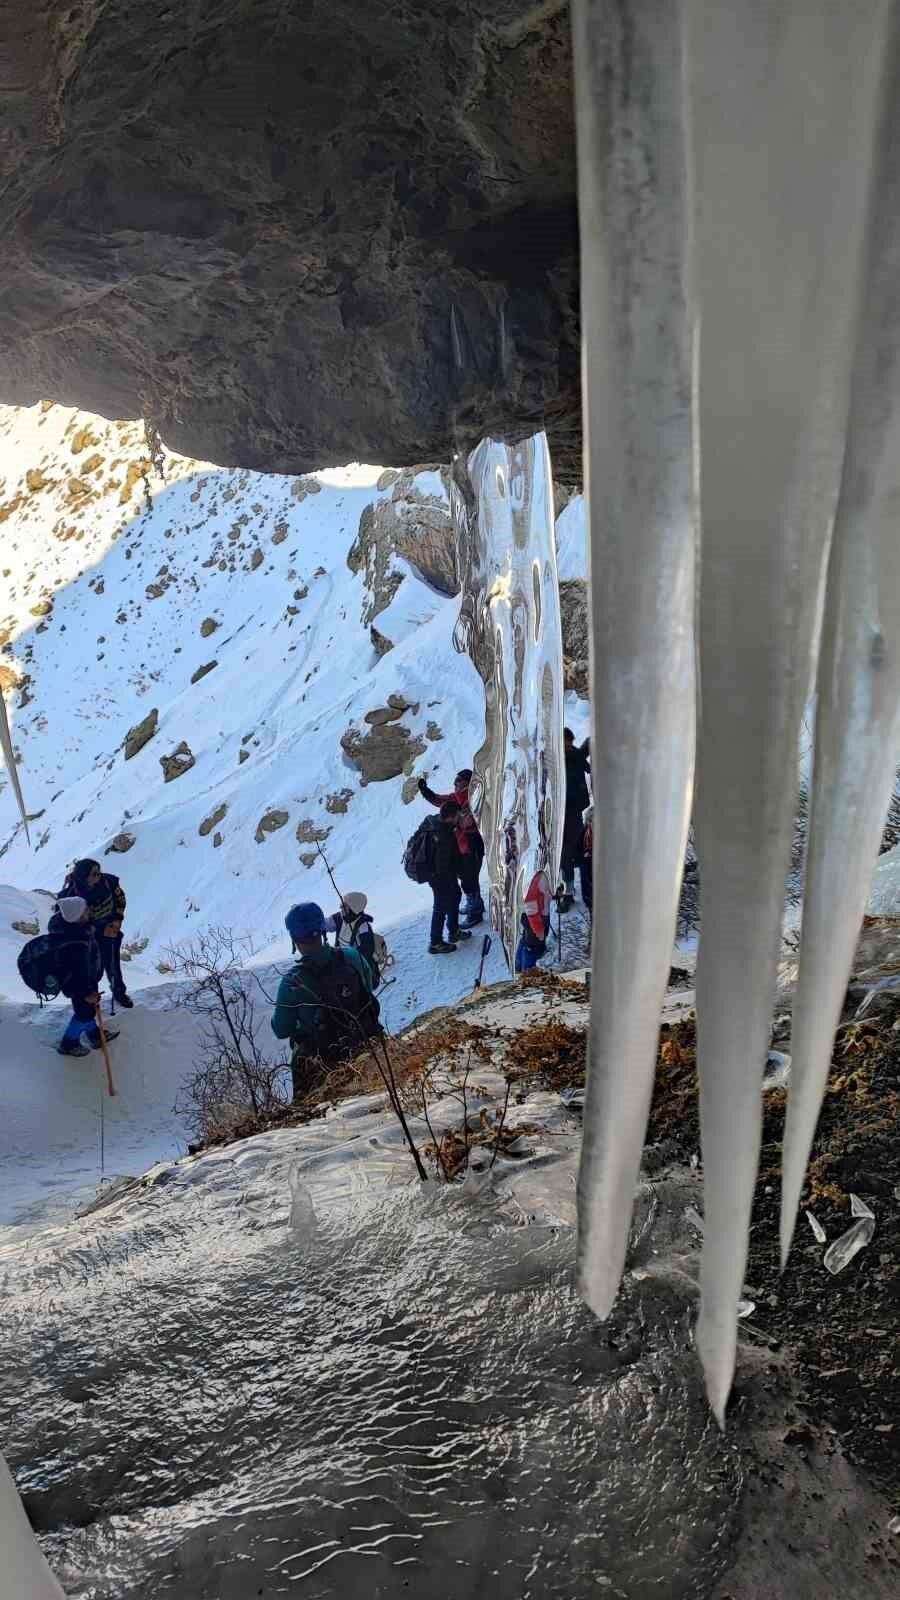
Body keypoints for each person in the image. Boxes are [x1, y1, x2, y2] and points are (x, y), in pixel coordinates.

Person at [271, 902, 381, 1101]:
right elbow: (370, 985)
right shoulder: (351, 956)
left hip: (323, 1065)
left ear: (295, 939)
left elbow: (281, 1029)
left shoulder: (292, 981)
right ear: (322, 931)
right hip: (366, 1042)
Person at [49, 896, 121, 1057]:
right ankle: (68, 1043)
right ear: (77, 916)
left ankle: (95, 1035)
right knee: (83, 1013)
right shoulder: (74, 943)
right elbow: (77, 974)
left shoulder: (76, 929)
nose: (88, 910)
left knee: (87, 1011)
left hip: (86, 982)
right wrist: (86, 994)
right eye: (85, 910)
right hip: (80, 987)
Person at [59, 858, 133, 1008]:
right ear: (83, 877)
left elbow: (120, 899)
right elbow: (71, 923)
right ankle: (91, 999)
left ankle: (119, 992)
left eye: (98, 872)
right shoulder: (71, 895)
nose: (98, 876)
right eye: (94, 874)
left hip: (111, 932)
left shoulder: (109, 882)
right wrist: (94, 930)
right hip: (89, 940)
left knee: (113, 966)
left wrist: (117, 920)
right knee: (92, 972)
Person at [418, 768, 485, 926]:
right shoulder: (456, 798)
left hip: (473, 844)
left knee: (470, 879)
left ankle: (475, 913)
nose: (455, 783)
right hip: (462, 847)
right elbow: (438, 800)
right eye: (455, 780)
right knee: (467, 877)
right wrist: (425, 790)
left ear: (467, 783)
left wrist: (457, 822)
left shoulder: (475, 798)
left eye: (459, 780)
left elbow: (469, 822)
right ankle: (475, 904)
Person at [425, 799, 473, 954]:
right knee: (441, 905)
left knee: (455, 896)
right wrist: (459, 870)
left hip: (441, 874)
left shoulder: (437, 823)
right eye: (457, 815)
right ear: (450, 817)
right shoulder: (442, 834)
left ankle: (453, 931)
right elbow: (443, 864)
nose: (459, 818)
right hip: (439, 876)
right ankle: (435, 942)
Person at [326, 891, 388, 986]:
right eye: (341, 905)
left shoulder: (363, 926)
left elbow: (366, 952)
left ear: (354, 907)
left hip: (358, 969)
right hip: (342, 962)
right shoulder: (339, 918)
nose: (341, 908)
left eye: (344, 906)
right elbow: (325, 924)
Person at [561, 728, 591, 897]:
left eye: (570, 742)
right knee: (564, 853)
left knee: (571, 850)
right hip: (559, 812)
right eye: (566, 743)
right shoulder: (555, 761)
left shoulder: (576, 755)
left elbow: (589, 767)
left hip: (574, 811)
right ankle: (567, 887)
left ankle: (569, 890)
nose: (569, 745)